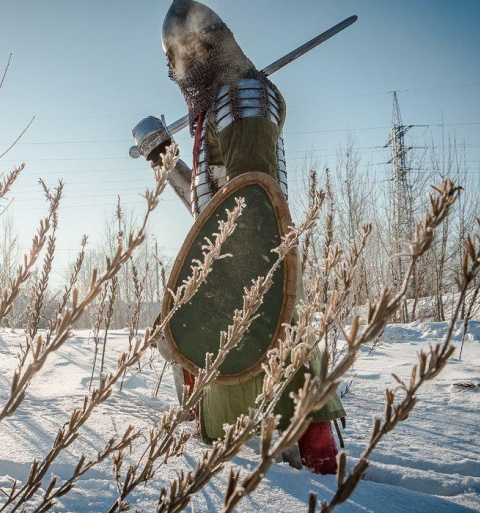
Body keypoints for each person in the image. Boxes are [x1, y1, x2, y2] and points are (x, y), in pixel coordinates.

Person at [145, 0, 345, 475]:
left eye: (177, 59)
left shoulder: (242, 95)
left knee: (273, 347)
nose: (176, 74)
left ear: (200, 49)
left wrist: (236, 264)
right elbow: (208, 202)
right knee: (186, 333)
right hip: (232, 247)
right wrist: (164, 160)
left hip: (252, 251)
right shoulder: (221, 103)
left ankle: (320, 463)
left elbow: (251, 193)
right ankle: (207, 427)